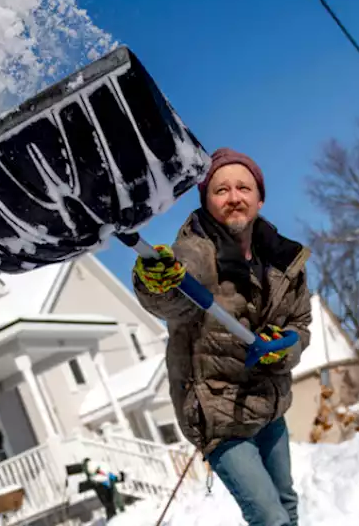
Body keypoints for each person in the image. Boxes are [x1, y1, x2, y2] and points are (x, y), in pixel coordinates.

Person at [132, 147, 312, 526]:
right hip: (219, 413)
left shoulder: (283, 260)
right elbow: (175, 294)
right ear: (207, 201)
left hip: (268, 404)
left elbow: (301, 325)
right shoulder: (197, 251)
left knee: (286, 505)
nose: (234, 197)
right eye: (221, 190)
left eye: (243, 188)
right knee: (270, 517)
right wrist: (157, 282)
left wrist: (284, 347)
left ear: (259, 198)